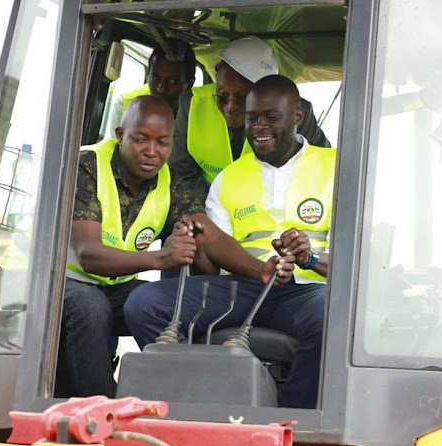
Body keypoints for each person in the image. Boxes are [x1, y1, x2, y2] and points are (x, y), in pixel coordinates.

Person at [59, 95, 294, 398]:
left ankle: (185, 397)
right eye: (140, 140)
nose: (152, 152)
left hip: (110, 288)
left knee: (162, 305)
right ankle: (104, 408)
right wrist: (160, 259)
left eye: (162, 143)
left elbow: (208, 234)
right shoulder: (87, 166)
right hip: (53, 286)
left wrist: (259, 269)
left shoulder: (171, 183)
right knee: (90, 307)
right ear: (120, 136)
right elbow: (89, 256)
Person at [125, 75, 335, 409]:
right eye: (252, 119)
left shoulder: (336, 167)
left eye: (271, 117)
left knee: (333, 312)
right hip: (242, 288)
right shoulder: (229, 177)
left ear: (297, 116)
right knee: (144, 303)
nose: (258, 127)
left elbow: (357, 267)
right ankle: (197, 402)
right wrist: (196, 245)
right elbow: (209, 270)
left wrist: (309, 258)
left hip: (307, 292)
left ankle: (296, 421)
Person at [168, 36, 331, 204]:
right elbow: (181, 173)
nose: (230, 106)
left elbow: (321, 171)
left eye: (242, 97)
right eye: (222, 95)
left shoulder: (292, 111)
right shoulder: (192, 104)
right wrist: (213, 213)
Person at [102, 42, 197, 139]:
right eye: (155, 79)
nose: (161, 89)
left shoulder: (200, 113)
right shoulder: (124, 104)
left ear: (189, 84)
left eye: (172, 81)